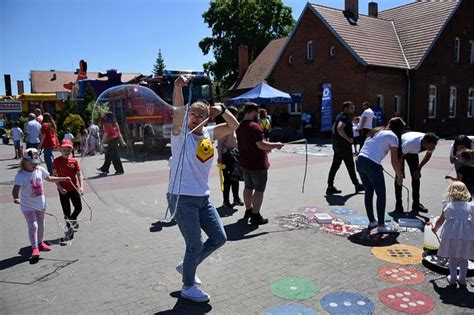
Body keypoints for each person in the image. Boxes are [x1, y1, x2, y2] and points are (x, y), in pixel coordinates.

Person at [168, 75, 239, 303]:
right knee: (195, 244)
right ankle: (188, 287)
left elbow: (233, 126)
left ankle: (188, 265)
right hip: (182, 197)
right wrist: (178, 86)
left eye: (202, 114)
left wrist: (222, 109)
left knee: (219, 237)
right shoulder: (180, 135)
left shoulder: (209, 132)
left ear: (207, 118)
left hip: (202, 198)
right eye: (193, 113)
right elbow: (178, 110)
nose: (196, 117)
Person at [12, 148, 70, 258]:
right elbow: (16, 188)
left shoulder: (39, 169)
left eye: (36, 163)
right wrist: (16, 197)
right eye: (32, 163)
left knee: (41, 225)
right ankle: (35, 248)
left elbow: (49, 178)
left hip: (41, 205)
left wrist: (63, 179)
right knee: (33, 226)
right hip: (28, 206)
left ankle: (40, 242)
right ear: (24, 162)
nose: (35, 165)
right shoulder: (21, 175)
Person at [236, 102, 284, 225]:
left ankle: (248, 210)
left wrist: (265, 147)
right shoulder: (254, 126)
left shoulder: (240, 126)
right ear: (253, 112)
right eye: (256, 112)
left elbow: (247, 144)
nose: (257, 114)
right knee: (259, 189)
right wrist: (276, 145)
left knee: (248, 187)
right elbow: (260, 144)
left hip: (245, 162)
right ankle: (255, 215)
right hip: (257, 163)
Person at [356, 118, 405, 233]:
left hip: (360, 161)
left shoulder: (377, 131)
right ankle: (382, 225)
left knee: (369, 191)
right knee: (381, 193)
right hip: (371, 163)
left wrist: (377, 163)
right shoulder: (393, 137)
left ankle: (372, 221)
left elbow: (370, 149)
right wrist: (399, 176)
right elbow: (395, 161)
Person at [432, 181, 474, 287]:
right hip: (467, 236)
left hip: (451, 235)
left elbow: (441, 220)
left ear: (450, 193)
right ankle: (462, 279)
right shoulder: (471, 206)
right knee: (464, 258)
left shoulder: (449, 205)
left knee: (453, 257)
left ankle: (453, 278)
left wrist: (435, 228)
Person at [393, 132, 439, 214]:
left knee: (416, 176)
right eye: (432, 145)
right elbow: (400, 157)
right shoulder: (411, 143)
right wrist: (400, 171)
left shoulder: (432, 144)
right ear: (425, 143)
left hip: (413, 152)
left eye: (434, 145)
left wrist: (418, 168)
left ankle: (416, 204)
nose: (433, 147)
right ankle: (398, 205)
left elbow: (427, 156)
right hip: (402, 149)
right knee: (399, 177)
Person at [326, 101, 364, 195]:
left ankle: (330, 186)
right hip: (344, 145)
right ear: (346, 109)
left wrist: (337, 139)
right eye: (352, 107)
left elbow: (333, 128)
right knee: (350, 165)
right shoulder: (344, 117)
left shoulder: (339, 116)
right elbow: (339, 128)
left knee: (335, 165)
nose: (353, 109)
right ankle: (357, 185)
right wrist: (348, 139)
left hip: (338, 144)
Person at [53, 139, 84, 232]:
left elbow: (79, 174)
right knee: (66, 211)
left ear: (72, 150)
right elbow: (54, 175)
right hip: (63, 190)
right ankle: (69, 227)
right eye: (64, 150)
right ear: (60, 150)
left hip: (74, 188)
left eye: (69, 150)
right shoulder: (56, 161)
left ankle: (73, 218)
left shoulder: (74, 161)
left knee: (79, 207)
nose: (66, 152)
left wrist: (81, 187)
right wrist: (59, 187)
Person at [217, 106, 243, 208]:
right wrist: (220, 157)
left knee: (235, 178)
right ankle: (226, 201)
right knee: (227, 180)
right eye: (234, 116)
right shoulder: (225, 128)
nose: (236, 118)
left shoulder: (234, 128)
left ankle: (236, 198)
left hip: (235, 156)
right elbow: (220, 144)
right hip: (227, 157)